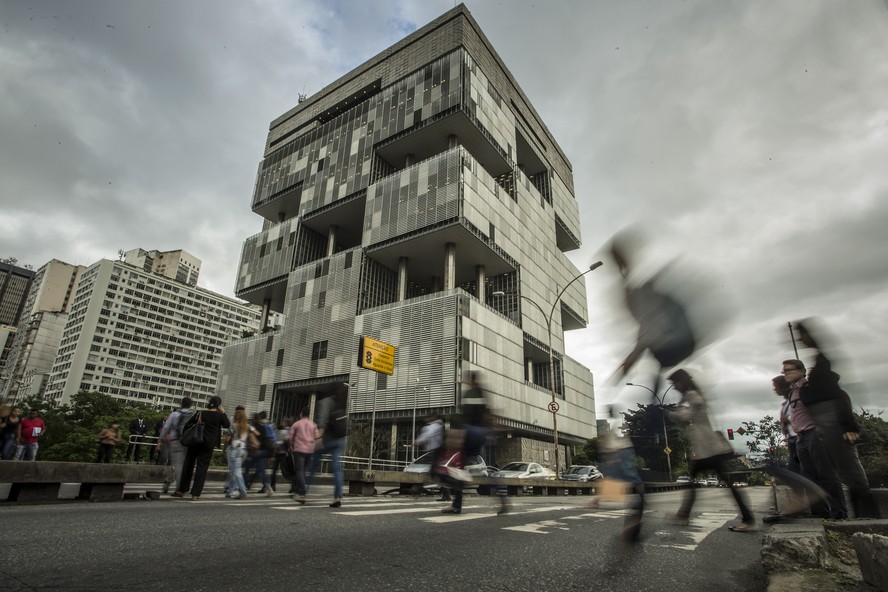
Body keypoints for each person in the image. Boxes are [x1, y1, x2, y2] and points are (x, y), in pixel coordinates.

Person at [794, 319, 881, 519]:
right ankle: (861, 517)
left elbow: (841, 396)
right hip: (827, 426)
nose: (800, 341)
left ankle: (868, 519)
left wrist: (848, 426)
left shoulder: (824, 368)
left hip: (835, 424)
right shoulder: (819, 366)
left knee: (851, 471)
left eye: (803, 337)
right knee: (843, 472)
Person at [664, 369, 756, 532]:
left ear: (681, 382)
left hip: (708, 449)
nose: (674, 387)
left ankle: (748, 520)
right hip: (707, 448)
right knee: (702, 482)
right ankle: (684, 514)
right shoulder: (690, 395)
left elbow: (687, 415)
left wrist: (673, 413)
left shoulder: (692, 395)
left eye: (674, 383)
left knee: (698, 482)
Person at [783, 358, 846, 519]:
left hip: (813, 433)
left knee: (826, 474)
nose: (786, 374)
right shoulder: (792, 392)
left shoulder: (808, 387)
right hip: (801, 438)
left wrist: (821, 427)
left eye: (790, 370)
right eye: (784, 371)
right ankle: (819, 513)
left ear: (802, 371)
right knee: (809, 477)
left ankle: (839, 512)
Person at [173, 396, 230, 501]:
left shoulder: (200, 413)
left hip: (195, 441)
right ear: (219, 405)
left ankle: (182, 490)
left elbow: (187, 425)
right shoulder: (219, 416)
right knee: (202, 468)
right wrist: (223, 412)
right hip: (208, 444)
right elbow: (227, 424)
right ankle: (195, 493)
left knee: (188, 465)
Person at [307, 383, 348, 508]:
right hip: (340, 440)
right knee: (337, 469)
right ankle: (337, 497)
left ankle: (303, 492)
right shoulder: (341, 403)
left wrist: (318, 438)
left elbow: (323, 421)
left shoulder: (326, 401)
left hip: (327, 439)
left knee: (313, 465)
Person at [158, 397, 195, 494]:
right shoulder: (193, 415)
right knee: (185, 466)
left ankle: (178, 488)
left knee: (175, 465)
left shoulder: (175, 414)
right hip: (189, 443)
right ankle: (174, 486)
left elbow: (166, 428)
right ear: (191, 405)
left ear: (181, 404)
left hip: (176, 441)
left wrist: (161, 439)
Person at [288, 407, 318, 504]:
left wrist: (291, 446)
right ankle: (299, 490)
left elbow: (290, 437)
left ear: (301, 414)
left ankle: (301, 492)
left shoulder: (296, 424)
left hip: (299, 449)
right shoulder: (313, 424)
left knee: (299, 471)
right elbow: (316, 436)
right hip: (309, 450)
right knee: (303, 470)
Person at [245, 411, 275, 496]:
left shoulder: (255, 426)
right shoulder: (265, 426)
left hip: (259, 451)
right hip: (266, 450)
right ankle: (268, 488)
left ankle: (244, 485)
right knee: (261, 470)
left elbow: (253, 437)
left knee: (247, 464)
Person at [225, 408, 250, 499]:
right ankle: (230, 491)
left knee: (236, 471)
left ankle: (243, 491)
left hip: (234, 450)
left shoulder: (233, 426)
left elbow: (227, 439)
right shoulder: (247, 427)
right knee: (234, 471)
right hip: (243, 449)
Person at [269, 417, 293, 494]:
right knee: (285, 471)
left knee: (276, 470)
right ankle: (293, 485)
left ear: (286, 423)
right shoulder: (290, 431)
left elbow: (277, 443)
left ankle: (273, 485)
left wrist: (274, 451)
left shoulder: (281, 431)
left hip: (280, 453)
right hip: (285, 453)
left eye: (283, 421)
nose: (282, 423)